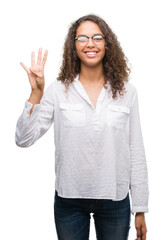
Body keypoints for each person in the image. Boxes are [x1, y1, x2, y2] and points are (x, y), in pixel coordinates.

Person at [15, 14, 149, 240]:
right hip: (69, 200)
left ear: (107, 43)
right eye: (82, 38)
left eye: (97, 37)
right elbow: (23, 139)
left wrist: (141, 207)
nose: (90, 43)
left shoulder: (128, 93)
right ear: (73, 46)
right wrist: (36, 93)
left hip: (115, 200)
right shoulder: (59, 91)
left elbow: (135, 150)